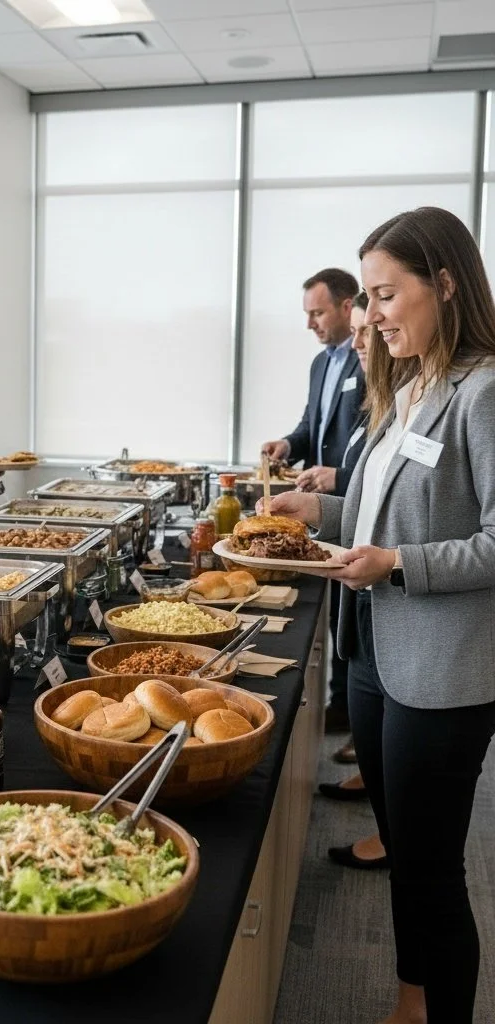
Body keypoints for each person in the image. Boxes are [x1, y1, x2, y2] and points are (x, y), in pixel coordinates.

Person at [263, 206, 495, 1023]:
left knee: (432, 869)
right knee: (405, 859)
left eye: (384, 295)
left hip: (442, 671)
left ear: (445, 283)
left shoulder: (483, 390)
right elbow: (369, 519)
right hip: (372, 654)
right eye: (365, 297)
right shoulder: (407, 387)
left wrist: (399, 566)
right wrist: (309, 515)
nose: (369, 316)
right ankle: (409, 1000)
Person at [262, 268, 366, 735]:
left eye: (318, 312)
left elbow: (375, 438)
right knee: (334, 609)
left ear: (348, 307)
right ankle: (344, 704)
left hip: (358, 503)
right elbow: (312, 426)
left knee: (353, 611)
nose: (311, 324)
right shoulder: (321, 363)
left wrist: (340, 475)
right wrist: (287, 445)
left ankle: (349, 707)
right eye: (307, 314)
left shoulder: (371, 356)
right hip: (322, 508)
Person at [316, 290, 388, 871]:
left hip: (406, 619)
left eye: (369, 326)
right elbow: (365, 507)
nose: (358, 341)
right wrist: (316, 511)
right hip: (366, 610)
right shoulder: (388, 403)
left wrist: (395, 562)